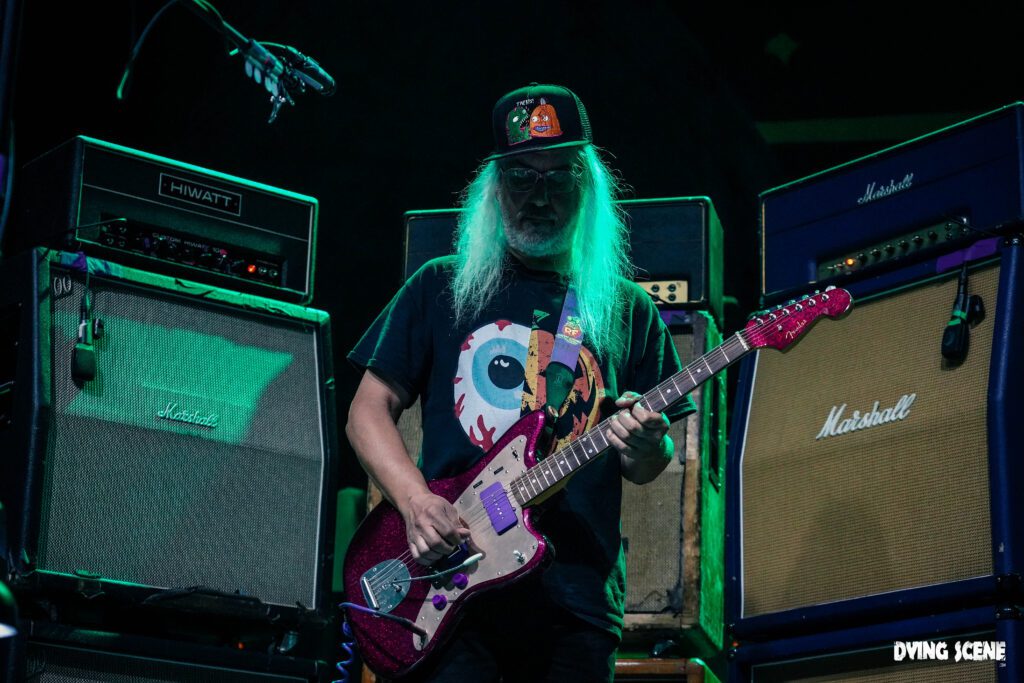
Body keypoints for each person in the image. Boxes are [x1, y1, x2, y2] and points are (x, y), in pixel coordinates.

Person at [346, 83, 695, 682]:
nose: (540, 196)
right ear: (493, 189)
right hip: (452, 580)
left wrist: (646, 442)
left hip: (575, 600)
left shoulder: (625, 308)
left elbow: (646, 465)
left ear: (587, 190)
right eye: (521, 177)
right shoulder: (440, 286)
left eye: (559, 178)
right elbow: (366, 410)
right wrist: (415, 501)